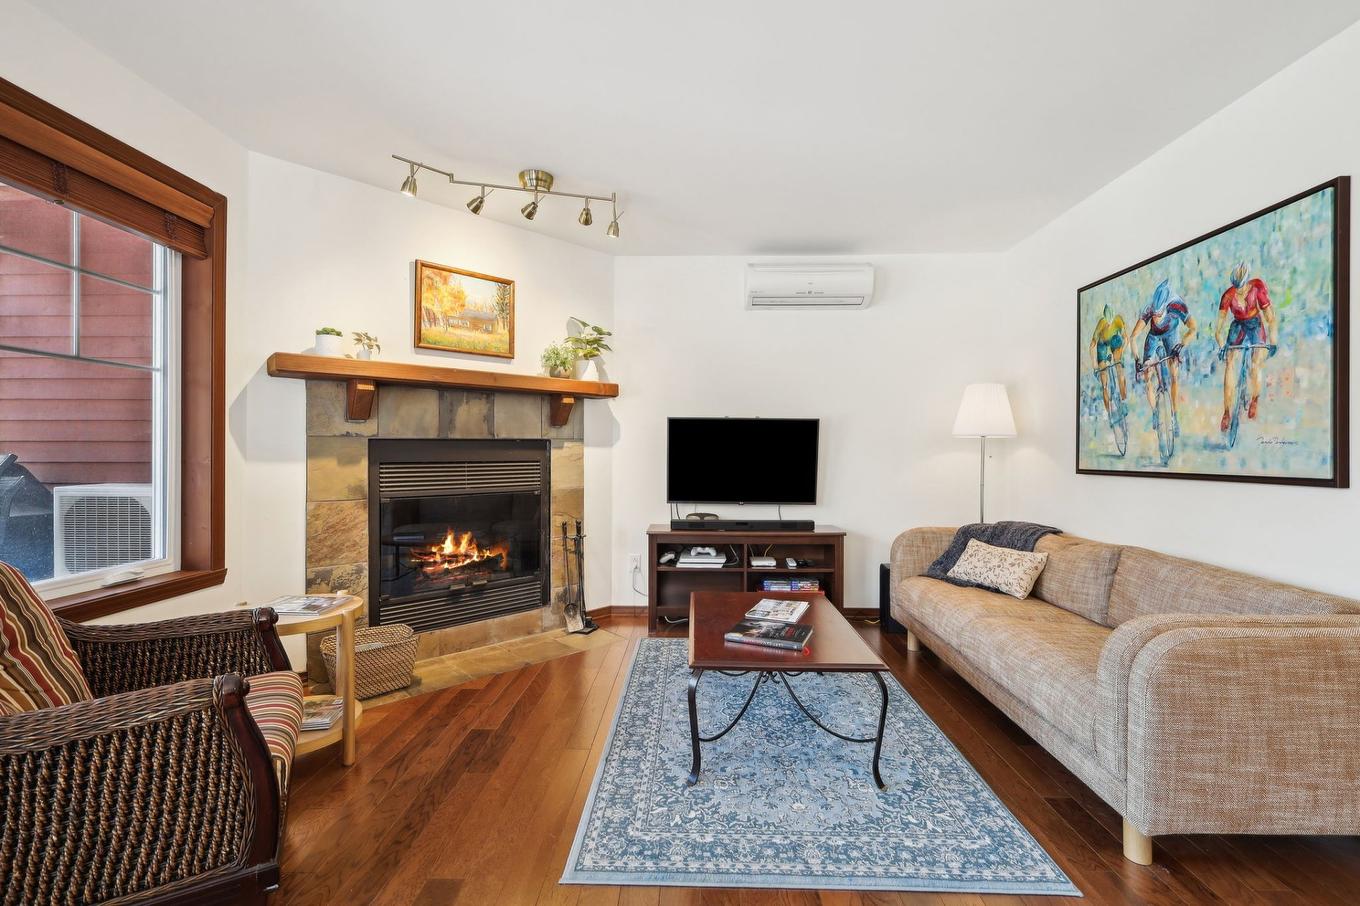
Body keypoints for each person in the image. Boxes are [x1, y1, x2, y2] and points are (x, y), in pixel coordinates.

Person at [1128, 278, 1197, 434]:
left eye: (1159, 315)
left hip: (1171, 334)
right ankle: (1154, 413)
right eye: (1154, 316)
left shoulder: (1177, 305)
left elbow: (1193, 328)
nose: (1156, 319)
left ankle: (1174, 415)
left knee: (1174, 374)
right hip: (1153, 336)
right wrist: (1137, 359)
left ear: (1167, 307)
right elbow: (1133, 337)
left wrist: (1182, 343)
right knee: (1147, 374)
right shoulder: (1149, 308)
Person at [1215, 262, 1276, 432]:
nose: (1239, 291)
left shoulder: (1257, 288)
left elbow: (1270, 318)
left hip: (1255, 323)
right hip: (1238, 325)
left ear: (1247, 282)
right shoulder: (1228, 295)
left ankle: (1254, 398)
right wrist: (1221, 346)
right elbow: (1218, 328)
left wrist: (1273, 341)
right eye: (1236, 287)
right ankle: (1227, 411)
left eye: (1241, 287)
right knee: (1230, 362)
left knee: (1256, 362)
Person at [1089, 304, 1128, 417]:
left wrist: (1121, 353)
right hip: (1102, 345)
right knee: (1104, 381)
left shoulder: (1118, 320)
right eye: (1107, 321)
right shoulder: (1101, 323)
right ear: (1104, 318)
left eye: (1110, 321)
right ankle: (1109, 411)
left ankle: (1124, 400)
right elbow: (1092, 347)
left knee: (1120, 370)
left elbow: (1126, 339)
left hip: (1114, 343)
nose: (1108, 323)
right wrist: (1095, 366)